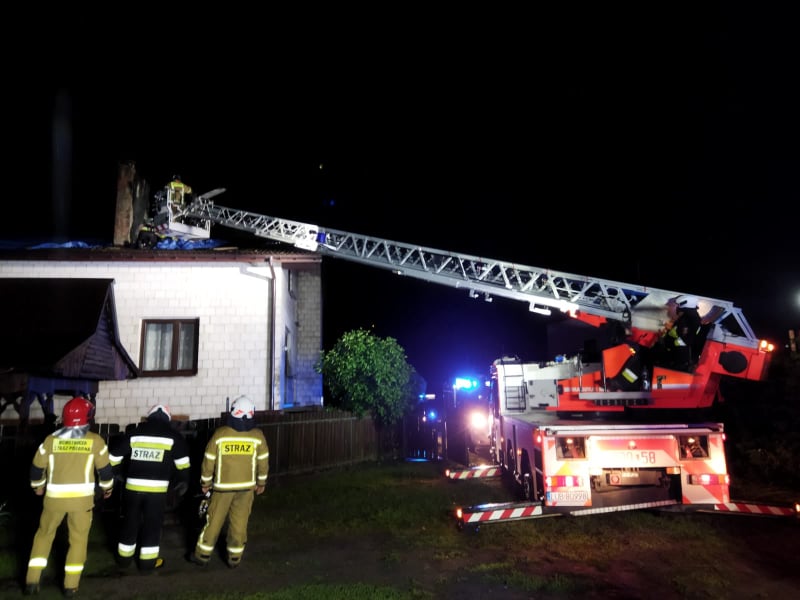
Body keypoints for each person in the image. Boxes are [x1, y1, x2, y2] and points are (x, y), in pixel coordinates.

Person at [24, 397, 114, 597]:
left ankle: (32, 581)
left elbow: (36, 468)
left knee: (43, 536)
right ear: (87, 418)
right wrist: (107, 489)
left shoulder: (51, 440)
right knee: (78, 541)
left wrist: (38, 487)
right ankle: (71, 586)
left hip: (53, 501)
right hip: (82, 503)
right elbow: (106, 472)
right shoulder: (95, 441)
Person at [109, 404, 191, 572]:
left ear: (149, 417)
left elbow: (113, 457)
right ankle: (147, 563)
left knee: (130, 522)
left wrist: (119, 475)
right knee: (152, 525)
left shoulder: (135, 434)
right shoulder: (173, 437)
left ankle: (124, 559)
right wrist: (181, 483)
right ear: (168, 419)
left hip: (132, 489)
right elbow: (183, 466)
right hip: (157, 493)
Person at [189, 396, 269, 569]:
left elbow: (209, 460)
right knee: (240, 523)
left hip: (222, 489)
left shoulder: (221, 434)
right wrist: (261, 483)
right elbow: (263, 462)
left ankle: (202, 555)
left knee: (214, 521)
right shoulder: (257, 436)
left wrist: (205, 482)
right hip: (246, 489)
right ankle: (234, 558)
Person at [654, 294, 703, 371]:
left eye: (679, 305)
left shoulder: (690, 318)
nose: (678, 308)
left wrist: (669, 343)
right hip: (675, 352)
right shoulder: (690, 316)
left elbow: (686, 339)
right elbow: (678, 330)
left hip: (678, 355)